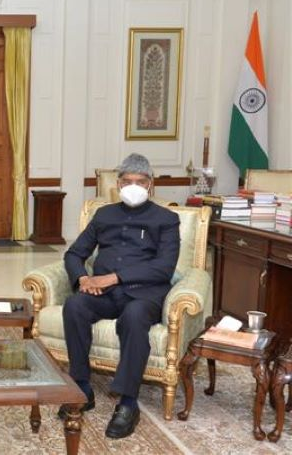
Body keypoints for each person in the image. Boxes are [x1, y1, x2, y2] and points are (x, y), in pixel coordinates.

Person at [58, 153, 180, 439]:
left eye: (140, 181)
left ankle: (128, 402)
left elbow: (164, 268)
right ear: (118, 183)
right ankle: (82, 387)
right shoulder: (104, 215)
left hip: (144, 295)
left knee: (134, 316)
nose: (133, 186)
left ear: (150, 185)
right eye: (127, 181)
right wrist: (83, 279)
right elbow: (74, 254)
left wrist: (113, 277)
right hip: (103, 293)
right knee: (75, 305)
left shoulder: (166, 219)